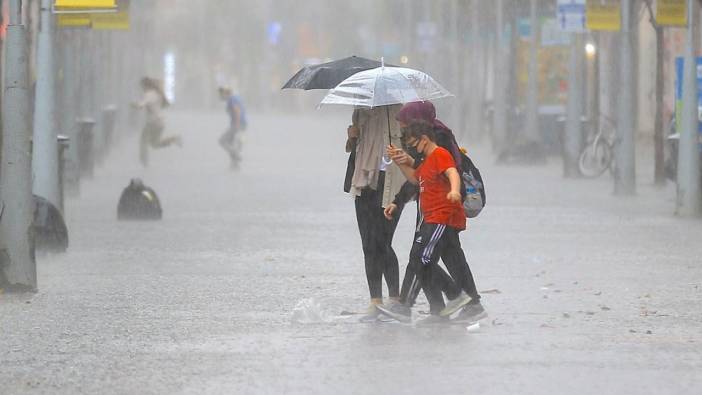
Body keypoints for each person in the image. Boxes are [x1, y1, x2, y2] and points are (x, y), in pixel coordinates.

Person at [383, 101, 486, 323]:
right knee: (449, 257)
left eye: (405, 128)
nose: (404, 133)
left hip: (442, 211)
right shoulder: (427, 142)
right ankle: (454, 306)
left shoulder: (439, 141)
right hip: (434, 210)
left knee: (421, 257)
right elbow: (419, 175)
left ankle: (411, 305)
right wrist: (399, 194)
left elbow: (448, 171)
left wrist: (455, 192)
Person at [344, 105, 406, 321]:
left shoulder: (398, 112)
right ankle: (375, 301)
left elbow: (409, 147)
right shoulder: (359, 111)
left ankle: (395, 299)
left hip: (390, 183)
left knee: (382, 241)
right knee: (368, 243)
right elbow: (355, 148)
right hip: (363, 182)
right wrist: (352, 137)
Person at [133, 77, 182, 167]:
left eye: (142, 86)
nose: (141, 89)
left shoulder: (149, 94)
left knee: (143, 140)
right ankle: (173, 139)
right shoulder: (157, 94)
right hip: (160, 122)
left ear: (146, 85)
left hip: (153, 122)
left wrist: (135, 105)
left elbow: (142, 104)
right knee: (154, 144)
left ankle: (144, 161)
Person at [218, 86, 248, 169]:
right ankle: (234, 164)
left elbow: (237, 110)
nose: (220, 97)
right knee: (233, 143)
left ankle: (235, 155)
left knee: (222, 140)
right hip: (242, 124)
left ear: (224, 93)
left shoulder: (231, 99)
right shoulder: (235, 97)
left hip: (237, 124)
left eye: (221, 95)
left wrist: (237, 125)